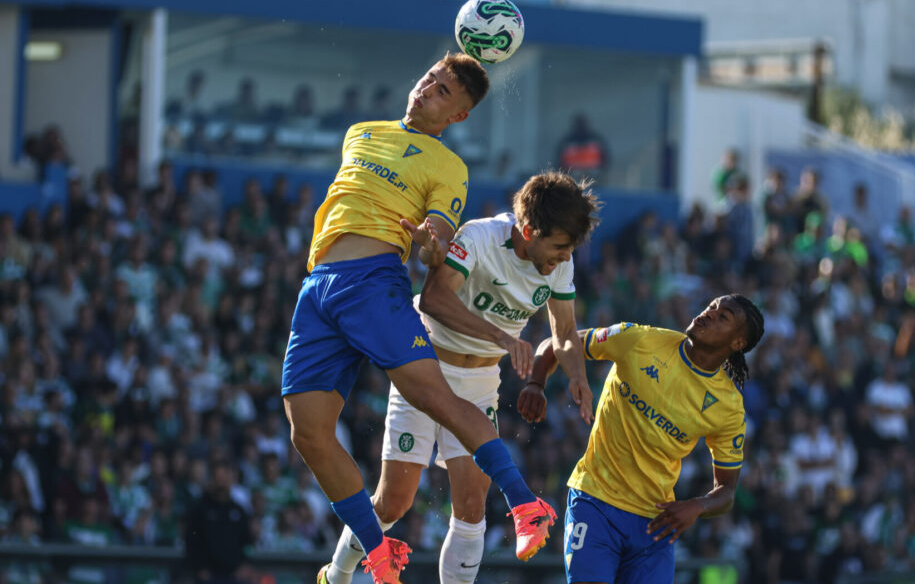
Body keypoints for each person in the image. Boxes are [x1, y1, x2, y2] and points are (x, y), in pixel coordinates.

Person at [281, 53, 555, 584]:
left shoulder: (449, 167)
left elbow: (436, 241)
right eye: (431, 78)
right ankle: (376, 551)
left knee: (438, 399)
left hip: (372, 283)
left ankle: (524, 502)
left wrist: (430, 248)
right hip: (317, 288)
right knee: (307, 432)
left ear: (458, 117)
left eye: (445, 91)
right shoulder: (360, 132)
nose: (429, 88)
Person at [319, 170, 601, 584]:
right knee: (393, 504)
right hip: (424, 368)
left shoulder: (560, 262)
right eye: (558, 247)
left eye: (569, 249)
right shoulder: (480, 238)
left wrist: (577, 374)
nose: (563, 257)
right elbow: (433, 299)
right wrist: (503, 338)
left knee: (471, 505)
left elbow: (563, 331)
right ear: (528, 230)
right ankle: (336, 577)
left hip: (481, 380)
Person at [522, 294, 765, 584]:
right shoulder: (639, 340)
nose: (709, 313)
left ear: (737, 343)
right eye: (712, 306)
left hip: (655, 525)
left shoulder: (728, 407)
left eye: (723, 316)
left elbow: (726, 490)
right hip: (595, 502)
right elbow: (559, 342)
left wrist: (697, 506)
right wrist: (536, 384)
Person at [185, 460, 254, 584]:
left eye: (224, 478)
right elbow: (191, 540)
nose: (221, 483)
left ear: (230, 479)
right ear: (212, 480)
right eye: (217, 478)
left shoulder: (238, 511)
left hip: (235, 576)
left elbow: (247, 542)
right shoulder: (200, 509)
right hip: (209, 576)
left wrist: (245, 564)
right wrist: (200, 567)